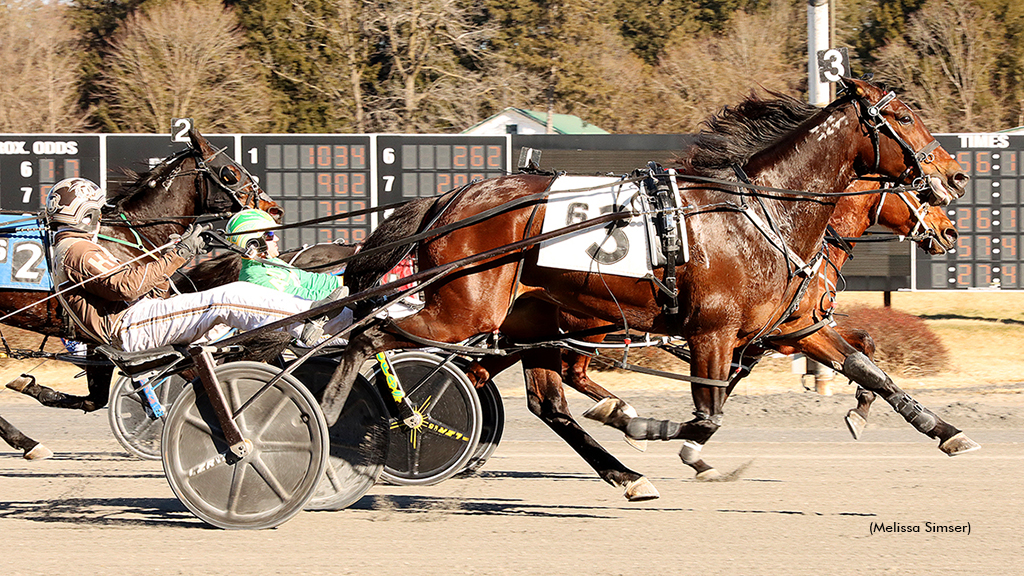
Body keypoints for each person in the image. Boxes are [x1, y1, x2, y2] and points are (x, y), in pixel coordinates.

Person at [35, 178, 347, 353]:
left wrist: (173, 253)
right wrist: (181, 252)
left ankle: (328, 318)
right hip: (130, 326)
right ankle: (308, 321)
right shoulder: (77, 250)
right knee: (230, 296)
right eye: (97, 211)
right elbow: (126, 286)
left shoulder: (75, 248)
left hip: (138, 318)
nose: (101, 217)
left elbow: (128, 282)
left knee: (231, 303)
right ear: (86, 215)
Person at [224, 208, 352, 343]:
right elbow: (303, 298)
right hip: (308, 332)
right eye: (270, 235)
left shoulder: (272, 263)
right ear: (252, 243)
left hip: (328, 317)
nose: (276, 238)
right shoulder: (256, 278)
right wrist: (348, 294)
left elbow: (312, 281)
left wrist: (351, 282)